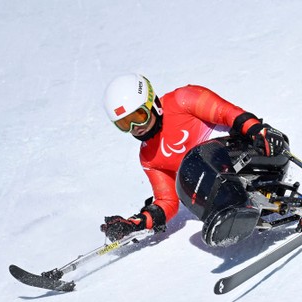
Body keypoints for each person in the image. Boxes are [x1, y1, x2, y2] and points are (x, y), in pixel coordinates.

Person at [99, 73, 288, 242]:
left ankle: (235, 210)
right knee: (184, 182)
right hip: (234, 182)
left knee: (193, 160)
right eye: (125, 124)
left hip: (263, 150)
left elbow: (227, 113)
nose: (135, 127)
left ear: (152, 103)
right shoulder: (149, 157)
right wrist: (137, 223)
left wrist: (257, 129)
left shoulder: (181, 100)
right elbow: (167, 201)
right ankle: (233, 213)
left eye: (139, 116)